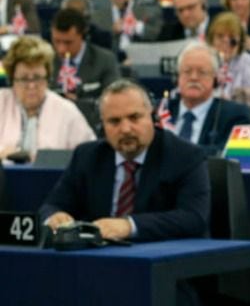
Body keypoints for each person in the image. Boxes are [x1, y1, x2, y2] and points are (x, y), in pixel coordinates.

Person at [40, 78, 208, 241]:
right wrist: (55, 217)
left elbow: (193, 218)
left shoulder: (185, 156)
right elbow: (51, 205)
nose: (126, 129)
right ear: (102, 126)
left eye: (134, 117)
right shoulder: (87, 156)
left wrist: (129, 226)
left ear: (153, 117)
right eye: (114, 121)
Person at [0, 36, 95, 161]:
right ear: (12, 79)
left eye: (38, 77)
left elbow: (89, 158)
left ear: (48, 77)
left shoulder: (67, 112)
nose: (31, 85)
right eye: (24, 79)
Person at [168, 43, 250, 155]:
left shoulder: (236, 116)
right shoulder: (159, 111)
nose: (193, 77)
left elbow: (227, 157)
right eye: (187, 71)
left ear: (215, 79)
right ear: (177, 77)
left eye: (202, 72)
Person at [50, 8, 120, 128]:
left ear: (82, 36)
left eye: (68, 42)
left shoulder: (105, 60)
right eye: (57, 41)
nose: (61, 49)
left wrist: (77, 104)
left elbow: (114, 101)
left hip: (92, 125)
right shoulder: (45, 60)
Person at [91, 0, 163, 55]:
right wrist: (112, 31)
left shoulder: (149, 11)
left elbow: (157, 34)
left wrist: (137, 27)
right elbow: (94, 43)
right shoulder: (97, 16)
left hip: (141, 58)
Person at [207, 11, 250, 99]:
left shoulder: (248, 62)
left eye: (232, 38)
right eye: (220, 37)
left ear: (240, 42)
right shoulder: (203, 62)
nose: (226, 42)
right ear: (211, 40)